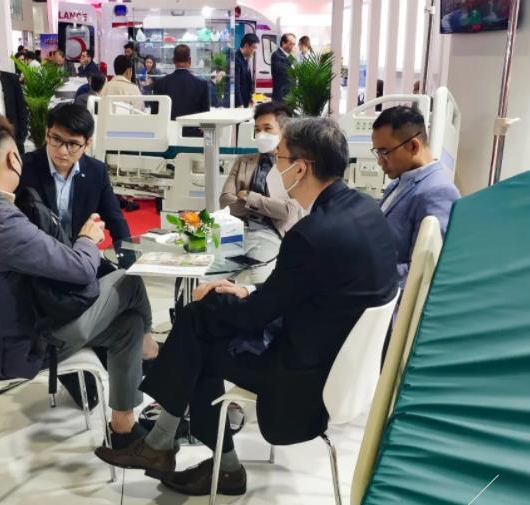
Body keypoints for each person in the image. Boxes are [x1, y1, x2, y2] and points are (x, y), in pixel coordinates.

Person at [94, 117, 398, 497]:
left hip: (303, 379)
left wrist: (223, 300)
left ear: (301, 168)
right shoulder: (365, 210)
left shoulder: (312, 235)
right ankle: (165, 445)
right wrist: (243, 293)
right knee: (203, 319)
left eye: (279, 157)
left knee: (199, 330)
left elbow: (256, 315)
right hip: (342, 364)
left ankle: (186, 452)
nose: (274, 167)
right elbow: (302, 290)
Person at [0, 106, 154, 449]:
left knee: (129, 323)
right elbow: (80, 267)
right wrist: (88, 239)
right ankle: (151, 350)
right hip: (30, 341)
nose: (63, 150)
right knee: (129, 283)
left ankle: (123, 428)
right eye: (56, 140)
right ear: (13, 159)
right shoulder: (0, 222)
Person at [18, 103, 160, 359]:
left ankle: (141, 343)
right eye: (56, 139)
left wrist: (130, 262)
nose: (63, 150)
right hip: (43, 266)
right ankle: (143, 346)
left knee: (128, 290)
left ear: (87, 144)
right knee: (121, 296)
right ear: (46, 134)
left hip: (81, 259)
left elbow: (115, 219)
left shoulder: (95, 171)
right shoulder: (25, 169)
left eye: (73, 144)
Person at [372, 105, 460, 287]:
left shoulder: (438, 191)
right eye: (377, 153)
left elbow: (425, 270)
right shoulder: (398, 183)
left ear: (413, 146)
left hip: (391, 297)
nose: (380, 161)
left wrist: (365, 273)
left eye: (385, 152)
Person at [220, 102, 301, 282]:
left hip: (269, 233)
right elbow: (225, 201)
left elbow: (287, 211)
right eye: (257, 129)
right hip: (234, 231)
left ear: (284, 131)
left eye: (267, 128)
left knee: (259, 282)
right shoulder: (243, 161)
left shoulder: (295, 166)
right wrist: (267, 208)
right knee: (208, 279)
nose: (261, 134)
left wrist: (248, 196)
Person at [152, 44, 209, 122]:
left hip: (169, 128)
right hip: (193, 129)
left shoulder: (160, 83)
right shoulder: (202, 84)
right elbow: (205, 116)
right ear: (189, 60)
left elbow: (155, 114)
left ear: (173, 60)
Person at [271, 33, 297, 103]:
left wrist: (293, 56)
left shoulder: (289, 56)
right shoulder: (277, 55)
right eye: (291, 44)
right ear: (283, 43)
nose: (293, 46)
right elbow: (284, 72)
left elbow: (296, 68)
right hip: (281, 96)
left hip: (290, 95)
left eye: (294, 44)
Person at [235, 33, 259, 108]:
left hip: (245, 101)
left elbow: (248, 82)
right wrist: (240, 104)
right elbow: (236, 85)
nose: (254, 51)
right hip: (238, 104)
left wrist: (251, 97)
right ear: (246, 45)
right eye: (254, 47)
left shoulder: (245, 59)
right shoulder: (236, 59)